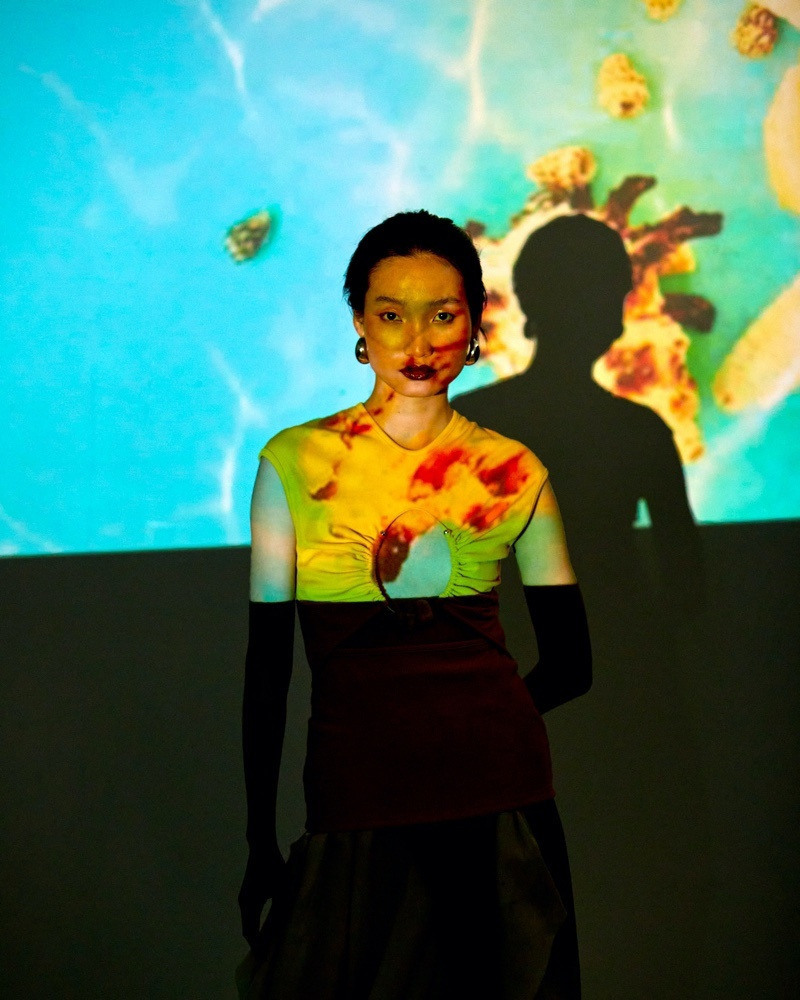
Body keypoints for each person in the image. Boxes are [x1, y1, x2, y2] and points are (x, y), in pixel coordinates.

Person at [237, 210, 592, 999]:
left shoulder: (514, 470)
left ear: (474, 323)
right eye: (393, 315)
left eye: (442, 315)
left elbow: (575, 664)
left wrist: (458, 730)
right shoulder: (293, 462)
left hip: (496, 806)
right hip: (365, 802)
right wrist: (260, 836)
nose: (419, 342)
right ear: (359, 323)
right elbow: (267, 672)